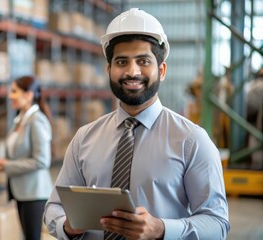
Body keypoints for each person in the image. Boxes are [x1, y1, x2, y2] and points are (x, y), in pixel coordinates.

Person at [44, 8, 230, 240]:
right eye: (122, 62)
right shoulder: (84, 138)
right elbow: (53, 208)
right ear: (109, 70)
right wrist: (67, 226)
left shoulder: (192, 140)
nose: (132, 72)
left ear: (161, 70)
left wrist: (161, 229)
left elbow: (217, 224)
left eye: (143, 61)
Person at [0, 76, 53, 240]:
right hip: (22, 191)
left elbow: (41, 161)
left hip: (34, 193)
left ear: (29, 95)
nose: (10, 95)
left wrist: (7, 165)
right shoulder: (21, 119)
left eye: (14, 91)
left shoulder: (37, 121)